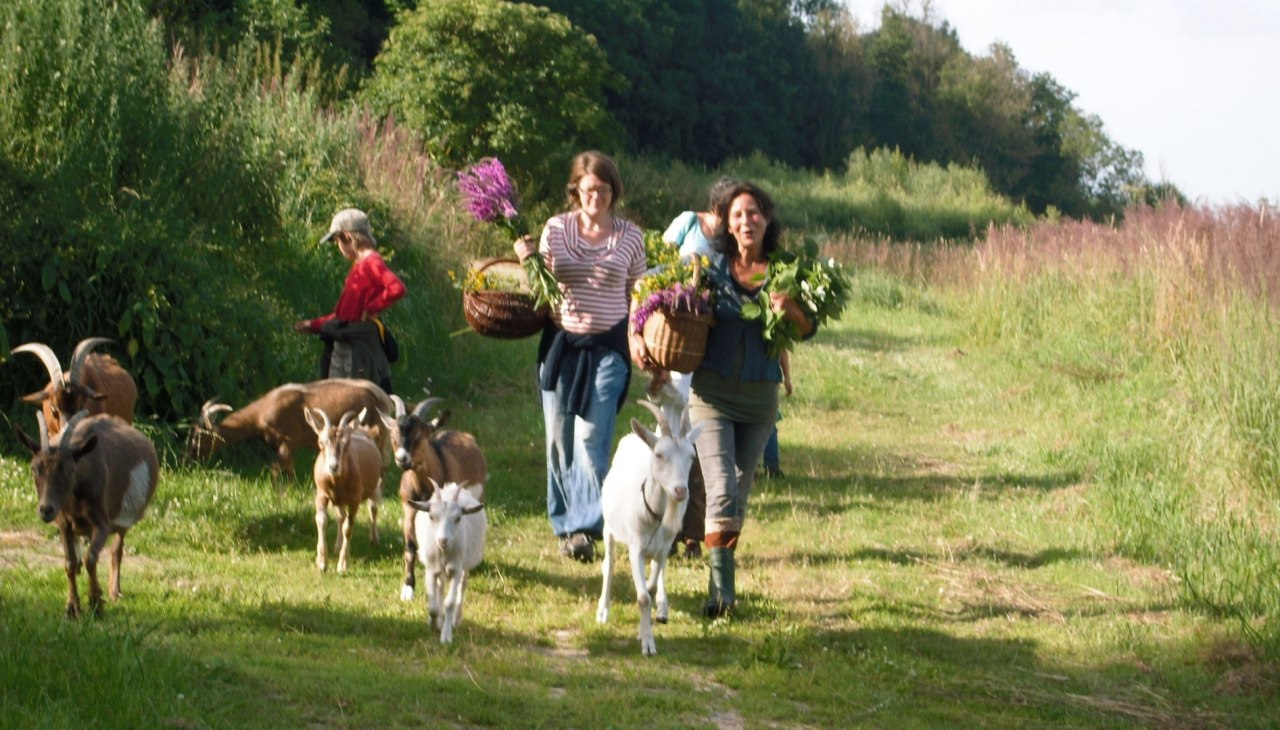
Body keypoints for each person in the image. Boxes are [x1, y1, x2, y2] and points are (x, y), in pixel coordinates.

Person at [636, 181, 815, 617]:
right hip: (712, 394)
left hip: (759, 398)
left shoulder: (786, 271)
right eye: (737, 214)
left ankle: (720, 582)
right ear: (727, 224)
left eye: (753, 213)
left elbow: (809, 328)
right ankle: (723, 596)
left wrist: (787, 305)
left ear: (766, 220)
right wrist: (638, 337)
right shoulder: (708, 267)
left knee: (738, 492)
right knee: (718, 489)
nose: (745, 221)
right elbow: (648, 290)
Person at [514, 151, 648, 563]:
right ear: (577, 191)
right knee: (558, 440)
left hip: (609, 348)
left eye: (604, 190)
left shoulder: (630, 236)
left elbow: (639, 295)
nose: (597, 197)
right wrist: (527, 261)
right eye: (590, 189)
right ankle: (563, 524)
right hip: (561, 346)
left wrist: (642, 340)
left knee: (591, 437)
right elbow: (542, 291)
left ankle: (586, 527)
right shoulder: (556, 229)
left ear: (613, 192)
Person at [659, 176, 740, 560]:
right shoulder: (688, 222)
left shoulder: (733, 242)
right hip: (681, 339)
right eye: (730, 212)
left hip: (712, 340)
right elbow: (658, 269)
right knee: (673, 434)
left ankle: (692, 532)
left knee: (701, 442)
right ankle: (664, 525)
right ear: (717, 208)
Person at [294, 208, 406, 394]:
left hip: (358, 347)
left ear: (347, 237)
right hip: (344, 343)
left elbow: (397, 288)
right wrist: (313, 325)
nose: (337, 246)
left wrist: (372, 308)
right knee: (335, 398)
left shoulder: (372, 262)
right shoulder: (359, 266)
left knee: (355, 400)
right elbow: (343, 316)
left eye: (337, 240)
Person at [760, 349, 792, 478]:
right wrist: (787, 378)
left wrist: (787, 377)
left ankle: (769, 467)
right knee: (769, 426)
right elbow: (782, 349)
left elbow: (782, 350)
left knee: (769, 426)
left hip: (765, 379)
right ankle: (771, 467)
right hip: (768, 378)